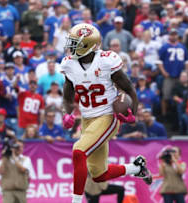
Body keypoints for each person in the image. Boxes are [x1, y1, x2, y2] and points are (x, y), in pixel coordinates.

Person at [61, 23, 152, 203]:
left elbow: (129, 88)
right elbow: (67, 94)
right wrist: (68, 113)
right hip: (88, 119)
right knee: (99, 175)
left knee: (78, 151)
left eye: (75, 43)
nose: (70, 47)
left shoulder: (105, 61)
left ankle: (75, 201)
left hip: (107, 116)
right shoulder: (69, 64)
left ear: (87, 45)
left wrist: (132, 113)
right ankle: (136, 168)